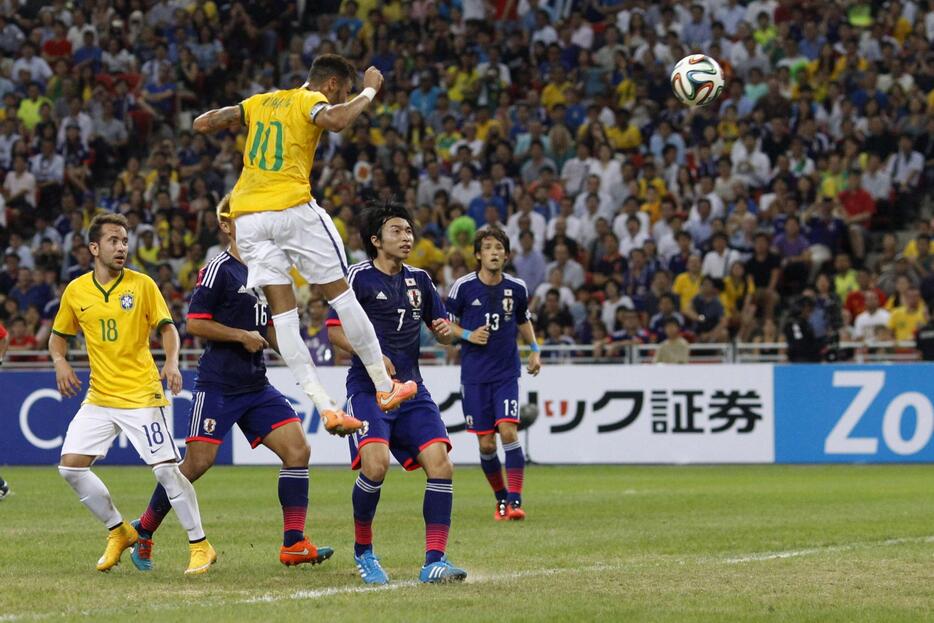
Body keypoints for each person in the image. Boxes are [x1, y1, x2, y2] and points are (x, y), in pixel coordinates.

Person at [192, 53, 414, 434]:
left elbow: (204, 123)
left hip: (247, 217)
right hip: (291, 207)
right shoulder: (309, 100)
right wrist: (369, 91)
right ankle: (384, 386)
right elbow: (338, 121)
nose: (340, 97)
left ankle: (325, 407)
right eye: (341, 91)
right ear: (330, 85)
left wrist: (234, 118)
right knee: (342, 296)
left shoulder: (261, 102)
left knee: (283, 315)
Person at [129, 195, 332, 572]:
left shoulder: (266, 268)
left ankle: (294, 543)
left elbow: (270, 328)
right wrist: (241, 336)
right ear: (226, 225)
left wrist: (293, 351)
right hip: (218, 384)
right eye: (246, 217)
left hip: (256, 385)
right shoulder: (218, 268)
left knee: (298, 451)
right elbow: (195, 323)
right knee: (196, 464)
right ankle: (144, 530)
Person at [49, 214, 213, 574]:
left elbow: (168, 328)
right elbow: (58, 336)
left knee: (167, 472)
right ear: (94, 248)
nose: (121, 246)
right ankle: (119, 531)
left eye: (124, 240)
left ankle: (200, 544)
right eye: (113, 240)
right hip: (99, 397)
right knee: (70, 467)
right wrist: (60, 360)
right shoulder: (76, 291)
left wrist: (171, 362)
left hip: (140, 395)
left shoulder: (142, 285)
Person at [327, 202, 466, 585]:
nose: (407, 238)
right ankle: (364, 552)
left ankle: (434, 561)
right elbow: (335, 332)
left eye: (409, 231)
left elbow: (442, 326)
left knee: (442, 466)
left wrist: (444, 331)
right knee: (374, 467)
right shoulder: (356, 277)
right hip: (368, 390)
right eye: (397, 231)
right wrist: (373, 357)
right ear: (375, 240)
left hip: (412, 390)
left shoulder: (420, 279)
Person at [446, 228, 542, 521]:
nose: (494, 252)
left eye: (499, 247)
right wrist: (467, 334)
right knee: (486, 443)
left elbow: (523, 321)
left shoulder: (517, 288)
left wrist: (535, 350)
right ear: (478, 255)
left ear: (507, 254)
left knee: (508, 430)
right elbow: (443, 327)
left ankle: (515, 501)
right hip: (474, 376)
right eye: (488, 247)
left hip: (506, 373)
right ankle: (501, 499)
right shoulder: (462, 287)